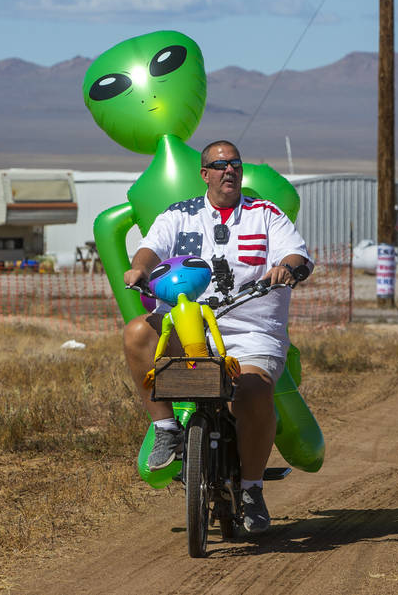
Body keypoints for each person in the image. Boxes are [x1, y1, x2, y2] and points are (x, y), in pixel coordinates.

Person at [123, 140, 313, 533]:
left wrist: (287, 268)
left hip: (251, 335)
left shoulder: (266, 215)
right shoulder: (178, 215)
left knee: (253, 391)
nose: (229, 170)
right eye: (220, 165)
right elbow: (149, 250)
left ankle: (251, 489)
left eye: (236, 164)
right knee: (138, 332)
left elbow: (296, 254)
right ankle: (166, 431)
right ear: (204, 173)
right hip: (188, 327)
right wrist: (139, 270)